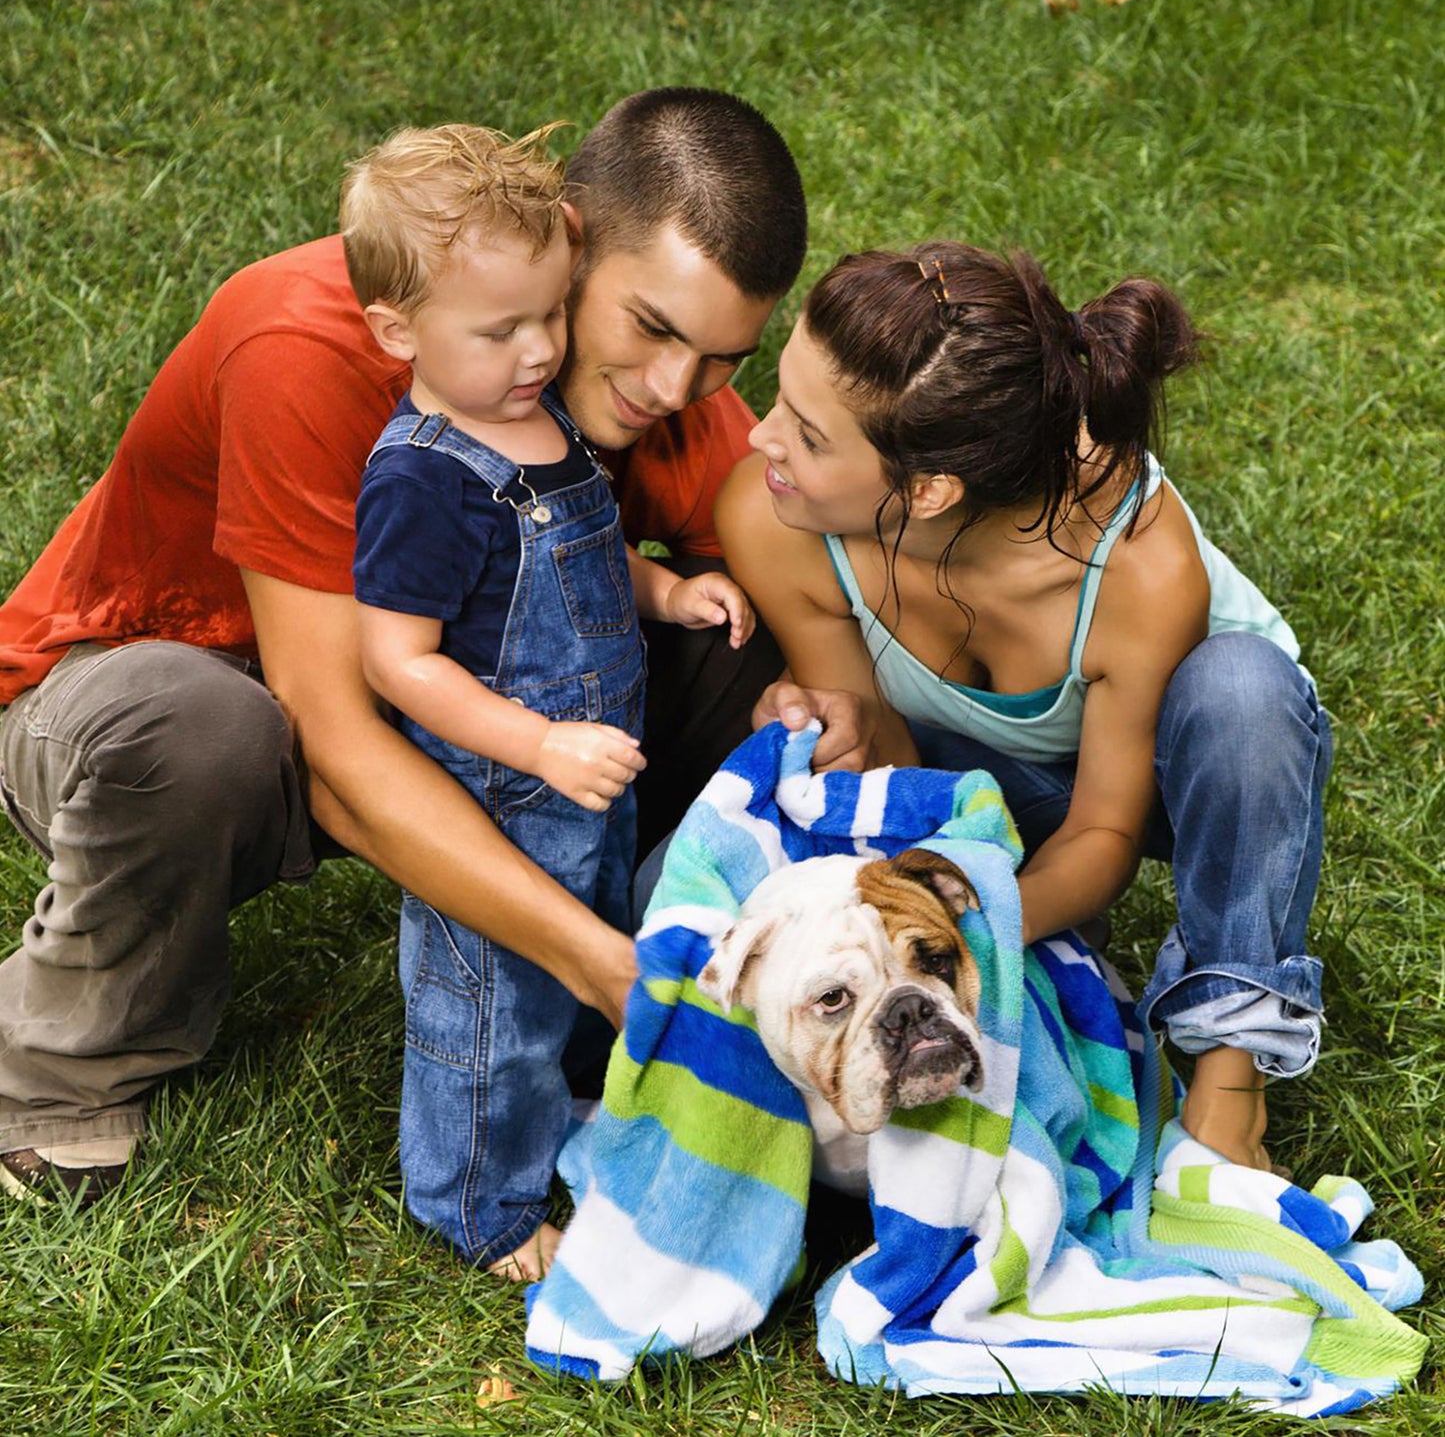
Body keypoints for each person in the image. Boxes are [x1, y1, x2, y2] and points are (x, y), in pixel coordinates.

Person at [0, 88, 805, 1210]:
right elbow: (332, 739)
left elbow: (783, 550)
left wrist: (834, 696)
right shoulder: (303, 341)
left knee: (744, 646)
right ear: (569, 239)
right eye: (654, 328)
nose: (674, 388)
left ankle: (665, 968)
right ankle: (57, 1068)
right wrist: (590, 956)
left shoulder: (649, 375)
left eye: (720, 357)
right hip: (154, 694)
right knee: (208, 733)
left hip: (442, 700)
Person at [718, 242, 1331, 1172]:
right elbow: (891, 761)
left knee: (1240, 687)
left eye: (806, 434)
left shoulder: (1138, 563)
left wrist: (966, 921)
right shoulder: (773, 518)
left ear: (927, 491)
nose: (760, 438)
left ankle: (1229, 1067)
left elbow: (1104, 838)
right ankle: (1061, 967)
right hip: (977, 774)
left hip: (1195, 779)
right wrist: (835, 729)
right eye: (780, 400)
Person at [342, 123, 754, 1278]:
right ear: (395, 329)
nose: (535, 351)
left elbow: (588, 547)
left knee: (574, 965)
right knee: (488, 1010)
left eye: (548, 317)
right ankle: (478, 1203)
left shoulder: (539, 419)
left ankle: (567, 1108)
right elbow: (397, 661)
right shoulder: (424, 473)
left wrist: (666, 592)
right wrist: (537, 741)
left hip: (585, 770)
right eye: (499, 330)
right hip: (499, 791)